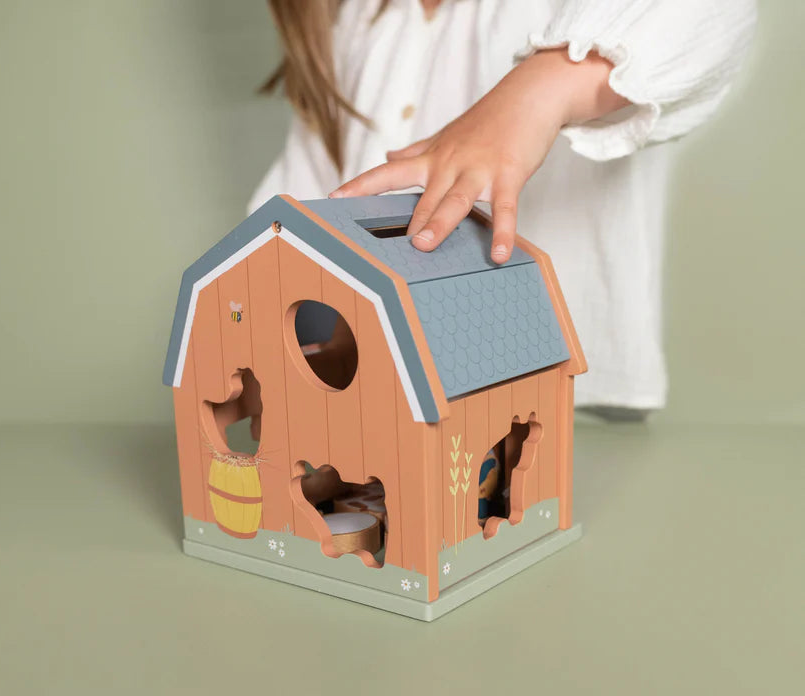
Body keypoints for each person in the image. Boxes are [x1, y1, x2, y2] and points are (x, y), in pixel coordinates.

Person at [249, 0, 757, 415]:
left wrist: (542, 91)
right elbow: (299, 212)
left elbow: (705, 15)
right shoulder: (355, 22)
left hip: (566, 396)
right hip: (375, 393)